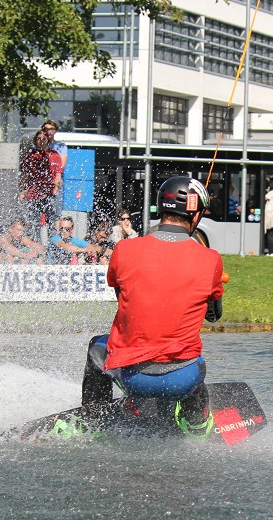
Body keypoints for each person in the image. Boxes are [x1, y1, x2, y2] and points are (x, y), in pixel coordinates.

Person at [81, 176, 224, 436]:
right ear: (195, 213)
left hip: (132, 379)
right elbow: (214, 316)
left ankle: (95, 423)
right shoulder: (211, 259)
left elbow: (122, 295)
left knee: (96, 346)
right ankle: (197, 421)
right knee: (194, 354)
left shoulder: (124, 249)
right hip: (183, 379)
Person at [18, 129, 62, 242]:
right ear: (35, 140)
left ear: (48, 140)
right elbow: (25, 175)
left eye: (43, 139)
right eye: (38, 138)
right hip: (34, 194)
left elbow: (58, 174)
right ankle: (36, 250)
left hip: (49, 194)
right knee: (34, 224)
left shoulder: (53, 155)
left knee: (52, 223)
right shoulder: (31, 155)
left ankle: (53, 250)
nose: (41, 141)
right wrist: (23, 191)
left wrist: (56, 188)